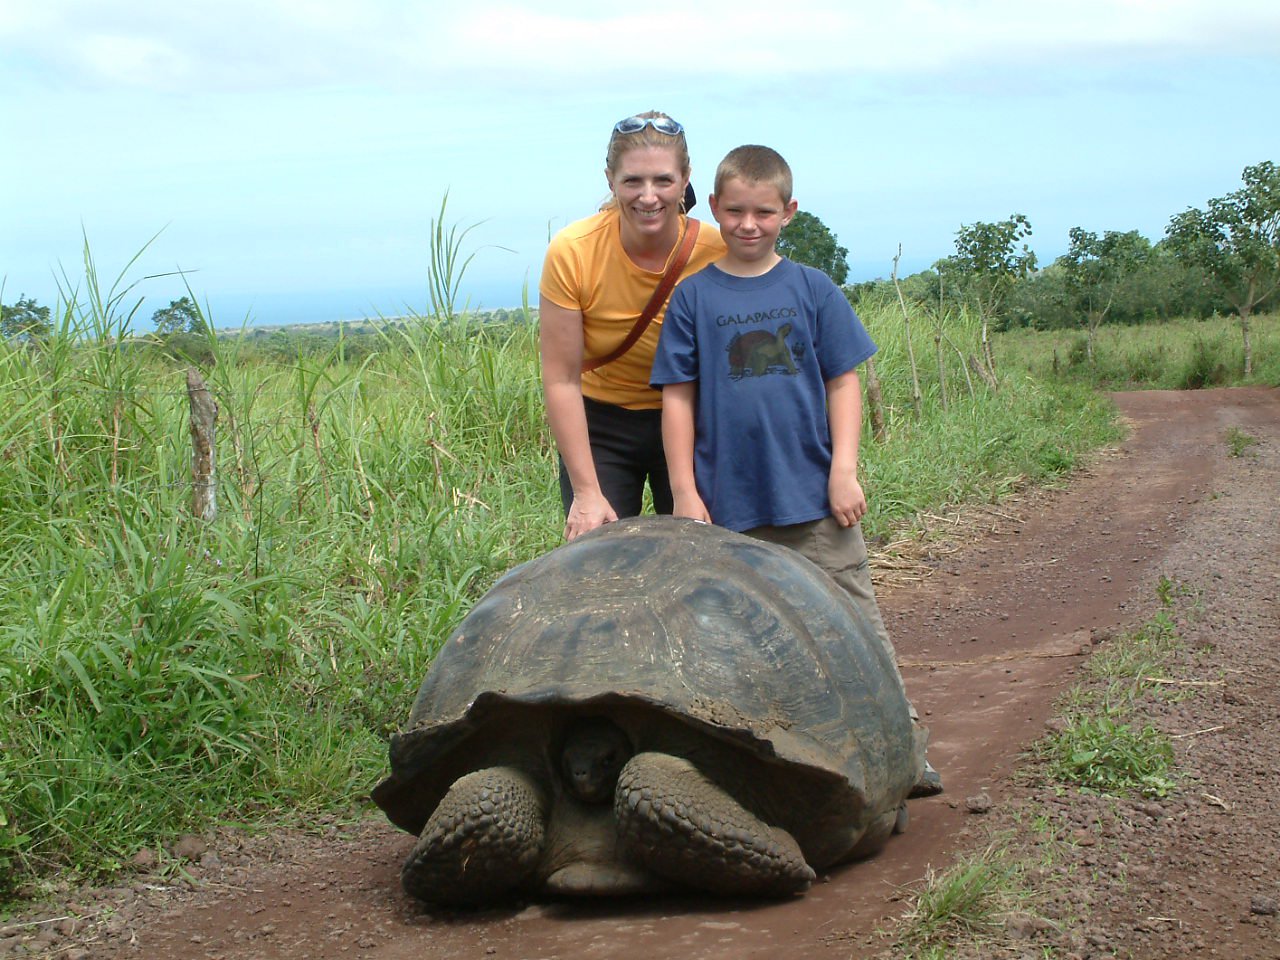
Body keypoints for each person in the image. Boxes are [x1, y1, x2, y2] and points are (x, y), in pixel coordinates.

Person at [650, 144, 942, 797]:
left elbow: (844, 382)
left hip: (814, 500)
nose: (748, 225)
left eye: (763, 212)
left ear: (789, 211)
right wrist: (685, 494)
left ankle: (903, 748)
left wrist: (845, 471)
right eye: (735, 211)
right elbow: (678, 396)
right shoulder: (694, 298)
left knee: (858, 628)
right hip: (728, 509)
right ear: (714, 209)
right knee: (740, 646)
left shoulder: (813, 288)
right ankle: (766, 769)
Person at [539, 112, 727, 541]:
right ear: (610, 180)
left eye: (663, 181)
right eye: (632, 182)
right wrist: (586, 493)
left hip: (689, 416)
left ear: (685, 179)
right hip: (602, 420)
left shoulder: (717, 252)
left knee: (699, 553)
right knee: (598, 556)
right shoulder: (574, 252)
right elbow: (561, 378)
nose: (648, 197)